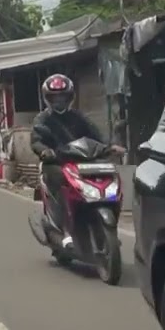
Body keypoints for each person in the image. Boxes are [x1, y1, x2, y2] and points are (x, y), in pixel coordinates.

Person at [30, 73, 121, 249]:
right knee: (64, 185)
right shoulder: (42, 119)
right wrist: (45, 151)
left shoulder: (78, 117)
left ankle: (106, 227)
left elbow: (96, 135)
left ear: (70, 97)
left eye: (63, 96)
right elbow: (36, 140)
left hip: (81, 162)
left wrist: (110, 147)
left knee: (109, 178)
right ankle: (66, 231)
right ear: (48, 99)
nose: (59, 101)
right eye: (55, 97)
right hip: (55, 163)